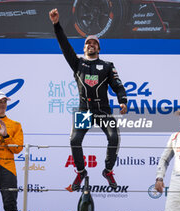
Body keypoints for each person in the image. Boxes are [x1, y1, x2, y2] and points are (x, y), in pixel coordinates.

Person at [49, 8, 128, 191]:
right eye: (87, 43)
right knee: (74, 140)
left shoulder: (107, 66)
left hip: (103, 110)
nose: (91, 45)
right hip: (84, 110)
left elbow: (117, 84)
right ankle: (81, 172)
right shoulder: (77, 64)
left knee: (114, 137)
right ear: (84, 48)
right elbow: (64, 45)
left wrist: (122, 100)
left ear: (98, 48)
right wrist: (56, 25)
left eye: (94, 43)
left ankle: (108, 171)